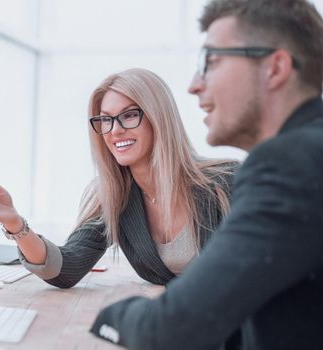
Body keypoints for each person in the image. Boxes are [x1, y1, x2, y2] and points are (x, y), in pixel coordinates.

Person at [89, 0, 323, 349]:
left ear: (274, 68)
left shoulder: (289, 164)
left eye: (211, 62)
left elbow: (171, 330)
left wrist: (103, 318)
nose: (195, 85)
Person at [0, 68, 237, 290]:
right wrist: (14, 224)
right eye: (105, 120)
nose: (115, 131)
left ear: (159, 118)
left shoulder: (226, 182)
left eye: (129, 116)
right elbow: (65, 269)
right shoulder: (113, 195)